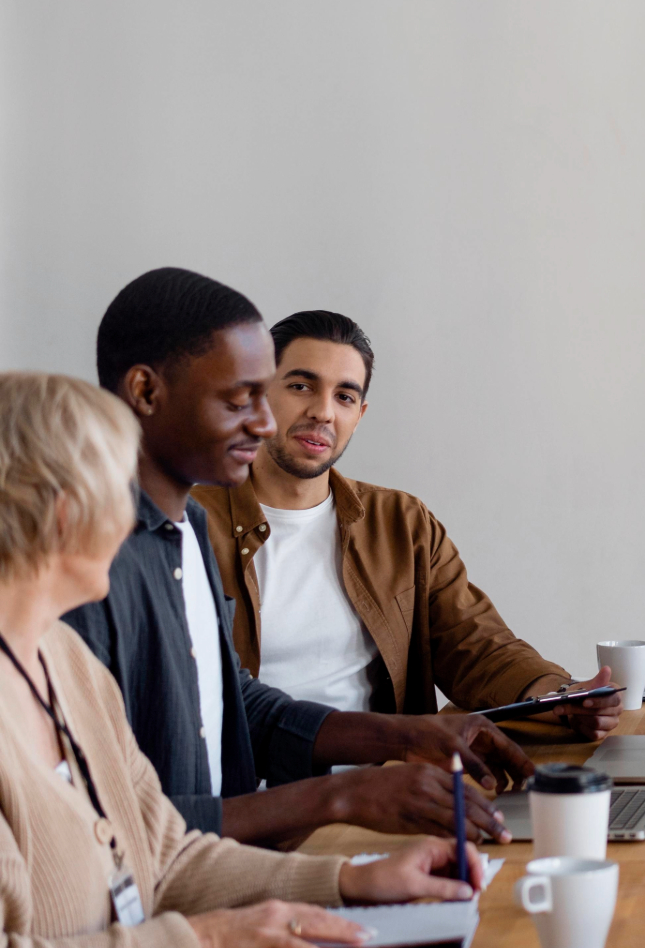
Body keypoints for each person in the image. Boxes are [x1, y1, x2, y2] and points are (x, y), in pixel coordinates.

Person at [0, 371, 484, 948]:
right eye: (120, 494)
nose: (134, 520)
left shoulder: (67, 663)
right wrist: (206, 937)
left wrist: (350, 880)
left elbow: (165, 854)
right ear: (65, 513)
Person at [65, 268, 534, 848]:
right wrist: (340, 797)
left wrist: (402, 738)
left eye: (344, 396)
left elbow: (234, 704)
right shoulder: (83, 560)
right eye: (241, 398)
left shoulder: (186, 530)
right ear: (145, 392)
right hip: (178, 887)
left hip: (227, 864)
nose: (267, 422)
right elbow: (96, 827)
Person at [190, 310, 619, 738]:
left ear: (359, 415)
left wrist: (561, 696)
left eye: (345, 397)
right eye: (301, 386)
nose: (323, 412)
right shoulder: (186, 526)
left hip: (391, 773)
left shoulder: (401, 522)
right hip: (252, 779)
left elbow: (476, 647)